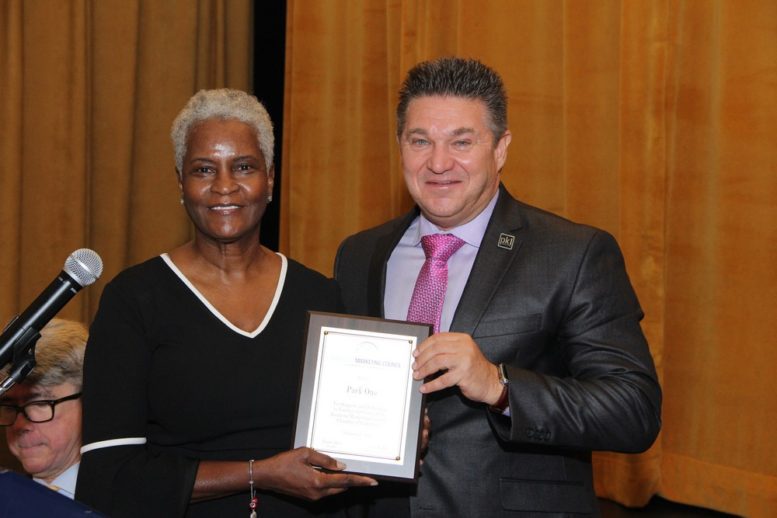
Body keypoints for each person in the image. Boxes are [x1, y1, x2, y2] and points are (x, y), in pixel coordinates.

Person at [334, 57, 662, 517]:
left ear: (501, 149)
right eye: (420, 141)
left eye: (462, 142)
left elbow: (633, 411)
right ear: (400, 146)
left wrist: (500, 386)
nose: (438, 163)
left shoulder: (573, 254)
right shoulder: (359, 254)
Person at [75, 89, 377, 517]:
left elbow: (349, 439)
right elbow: (109, 476)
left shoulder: (320, 295)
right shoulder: (134, 301)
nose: (224, 186)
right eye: (203, 169)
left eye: (243, 166)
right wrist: (259, 474)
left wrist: (392, 436)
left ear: (270, 178)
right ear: (180, 182)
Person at [1, 318, 88, 500]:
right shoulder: (6, 498)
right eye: (9, 406)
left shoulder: (132, 502)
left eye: (40, 403)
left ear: (87, 402)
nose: (19, 425)